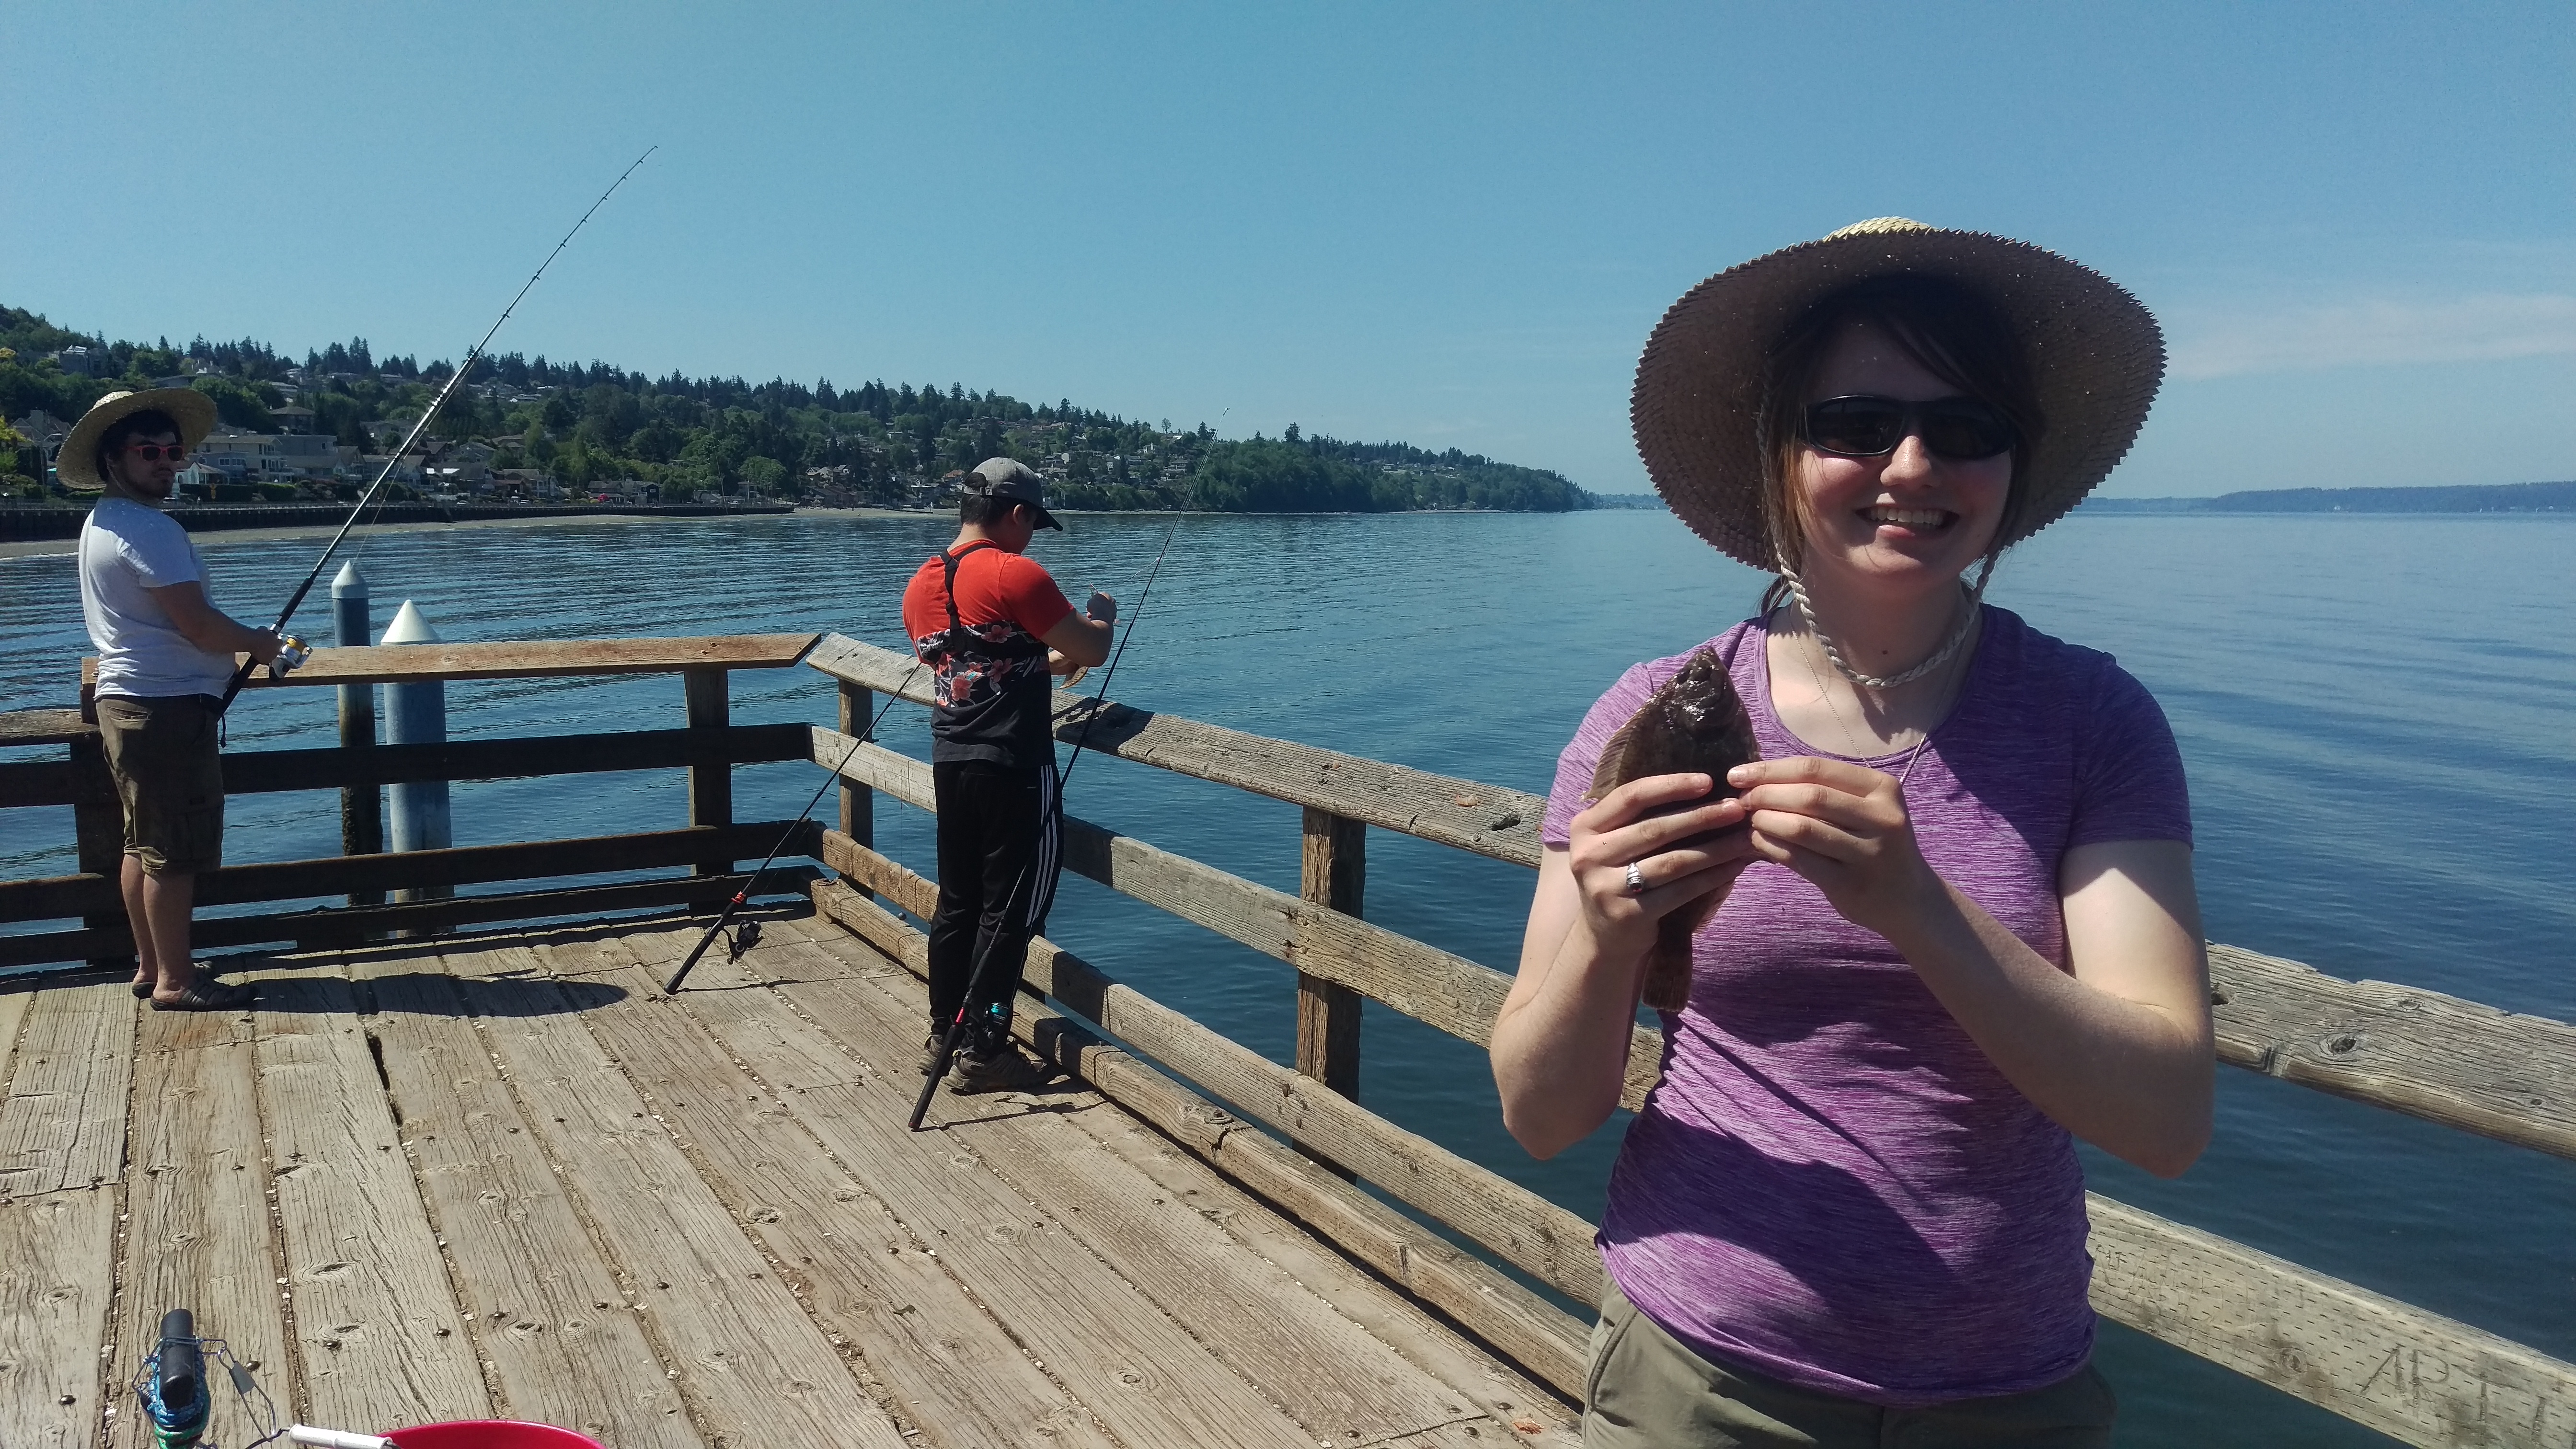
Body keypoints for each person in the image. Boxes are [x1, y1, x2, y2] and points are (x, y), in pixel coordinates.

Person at [1491, 219, 2213, 1447]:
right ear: (1784, 451)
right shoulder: (1650, 711)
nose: (1913, 464)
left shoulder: (2094, 720)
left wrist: (1920, 908)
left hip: (2006, 1395)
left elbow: (2165, 1120)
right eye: (1858, 424)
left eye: (1967, 426)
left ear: (2012, 465)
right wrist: (1611, 941)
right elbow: (1542, 1116)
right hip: (1697, 1378)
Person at [67, 389, 285, 1011]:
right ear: (115, 459)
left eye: (173, 451)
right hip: (164, 709)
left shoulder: (102, 523)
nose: (165, 462)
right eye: (148, 452)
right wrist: (259, 644)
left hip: (126, 703)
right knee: (175, 853)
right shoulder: (151, 530)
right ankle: (177, 981)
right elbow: (199, 627)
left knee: (144, 842)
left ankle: (150, 965)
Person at [901, 458, 1114, 1092]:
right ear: (1017, 513)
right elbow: (1092, 650)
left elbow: (984, 659)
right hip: (1017, 767)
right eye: (1033, 523)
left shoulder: (922, 583)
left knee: (958, 905)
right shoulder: (1018, 574)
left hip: (952, 760)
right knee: (1009, 915)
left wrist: (1047, 658)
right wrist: (1100, 613)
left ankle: (945, 1032)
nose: (1032, 537)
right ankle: (986, 1048)